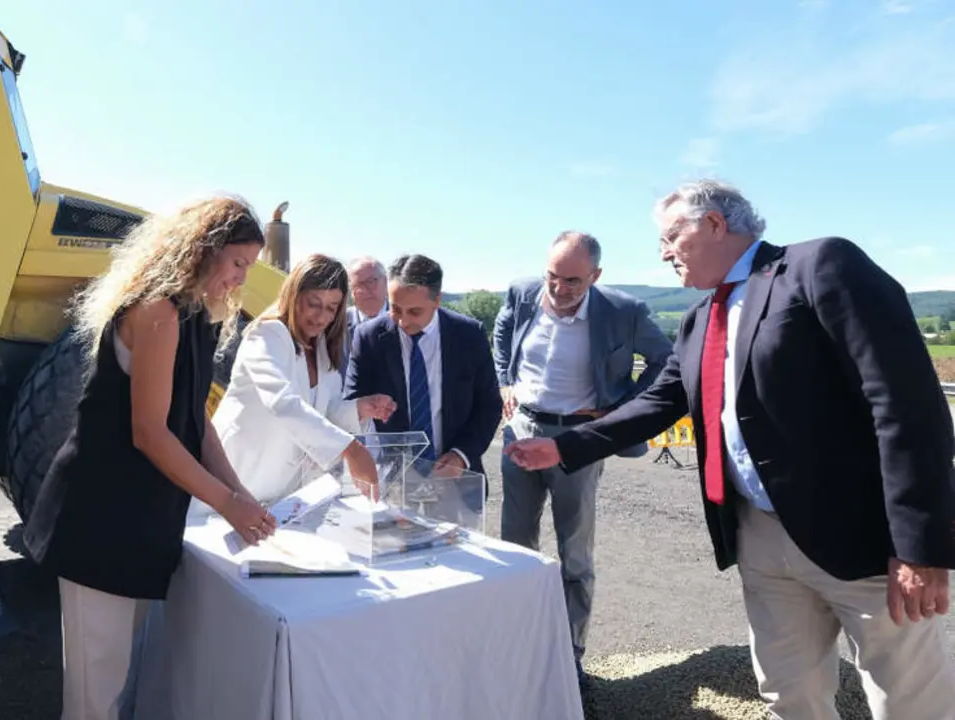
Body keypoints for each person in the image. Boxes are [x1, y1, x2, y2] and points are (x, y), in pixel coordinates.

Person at [506, 179, 955, 719]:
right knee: (789, 694)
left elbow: (905, 405)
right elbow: (656, 404)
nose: (663, 251)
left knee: (906, 698)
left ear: (715, 224)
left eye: (672, 235)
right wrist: (563, 448)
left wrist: (920, 546)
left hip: (861, 540)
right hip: (760, 539)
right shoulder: (698, 323)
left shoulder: (819, 266)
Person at [21, 195, 279, 720]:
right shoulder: (157, 312)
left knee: (117, 684)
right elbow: (152, 436)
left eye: (248, 268)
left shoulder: (197, 319)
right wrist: (229, 504)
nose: (240, 280)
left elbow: (196, 423)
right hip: (101, 522)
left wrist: (242, 493)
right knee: (96, 695)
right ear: (202, 251)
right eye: (237, 264)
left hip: (138, 523)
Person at [492, 230, 673, 690]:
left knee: (574, 554)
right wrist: (504, 381)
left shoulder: (623, 311)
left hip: (581, 439)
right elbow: (500, 332)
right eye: (552, 275)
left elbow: (666, 361)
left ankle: (570, 656)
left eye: (572, 280)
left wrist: (620, 411)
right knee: (514, 549)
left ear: (596, 275)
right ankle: (517, 646)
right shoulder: (522, 292)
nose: (559, 288)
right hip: (522, 432)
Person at [205, 253, 397, 507]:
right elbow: (282, 402)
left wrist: (360, 408)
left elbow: (324, 412)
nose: (321, 317)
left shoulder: (320, 347)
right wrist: (350, 449)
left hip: (284, 495)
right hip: (236, 483)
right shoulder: (268, 334)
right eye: (313, 304)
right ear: (294, 297)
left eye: (331, 308)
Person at [345, 254, 502, 488]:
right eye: (395, 309)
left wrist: (461, 455)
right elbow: (350, 402)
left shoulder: (469, 335)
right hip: (393, 481)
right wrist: (367, 404)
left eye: (415, 312)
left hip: (456, 479)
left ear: (437, 300)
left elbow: (489, 405)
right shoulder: (369, 338)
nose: (402, 322)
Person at [341, 256, 390, 377]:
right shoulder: (336, 325)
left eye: (371, 281)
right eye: (358, 284)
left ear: (385, 282)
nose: (365, 290)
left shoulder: (404, 320)